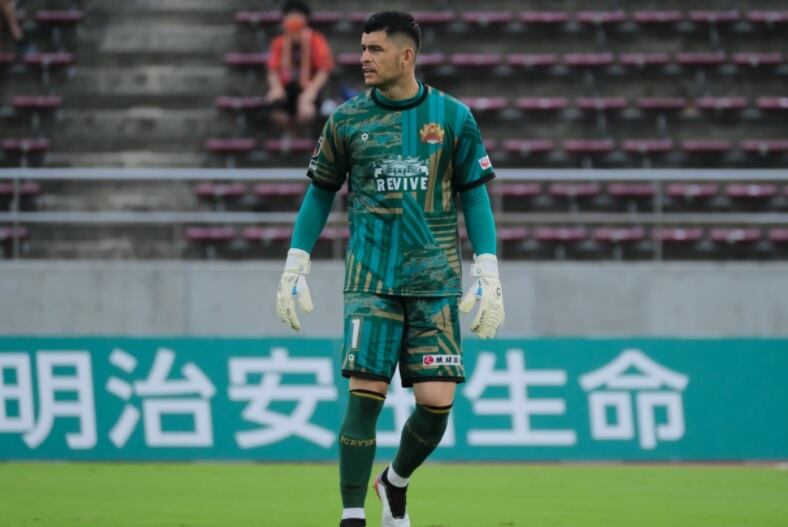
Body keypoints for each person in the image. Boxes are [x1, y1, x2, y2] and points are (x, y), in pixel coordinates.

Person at [275, 11, 505, 527]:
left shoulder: (453, 117)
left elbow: (475, 197)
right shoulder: (346, 120)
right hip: (371, 280)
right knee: (365, 397)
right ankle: (352, 514)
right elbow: (320, 192)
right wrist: (295, 263)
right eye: (362, 48)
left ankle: (394, 482)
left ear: (407, 55)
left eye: (374, 49)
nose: (363, 58)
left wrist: (487, 270)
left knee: (436, 405)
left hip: (435, 282)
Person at [264, 0, 334, 137]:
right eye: (291, 14)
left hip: (308, 88)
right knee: (273, 108)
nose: (294, 18)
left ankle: (305, 137)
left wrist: (309, 94)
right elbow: (272, 69)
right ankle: (290, 135)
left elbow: (324, 70)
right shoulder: (279, 42)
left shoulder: (316, 40)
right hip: (286, 89)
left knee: (307, 111)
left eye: (298, 14)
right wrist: (276, 88)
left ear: (306, 18)